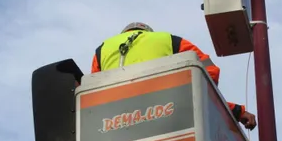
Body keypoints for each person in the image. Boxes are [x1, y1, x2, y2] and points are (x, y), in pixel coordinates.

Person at [90, 22, 257, 130]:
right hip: (162, 115)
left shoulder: (102, 50)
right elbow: (208, 73)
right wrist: (237, 111)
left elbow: (93, 95)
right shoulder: (168, 40)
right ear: (147, 32)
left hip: (116, 122)